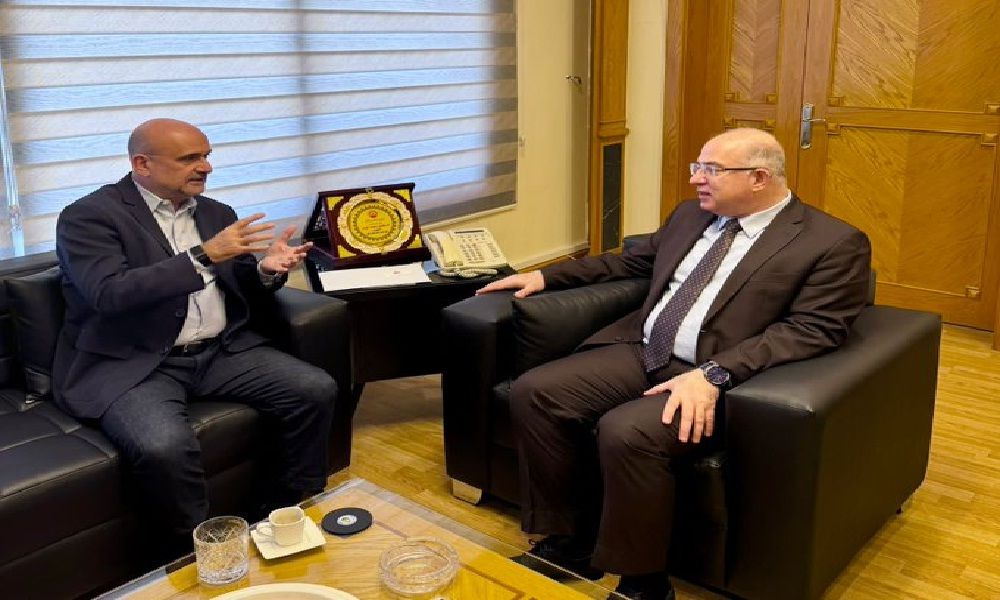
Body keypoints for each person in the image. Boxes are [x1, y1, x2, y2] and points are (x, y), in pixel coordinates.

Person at [476, 128, 872, 600]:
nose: (696, 179)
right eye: (696, 167)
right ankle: (569, 542)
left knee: (627, 432)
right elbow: (632, 263)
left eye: (711, 170)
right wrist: (546, 275)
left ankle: (644, 583)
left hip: (719, 375)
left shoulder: (831, 242)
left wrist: (715, 373)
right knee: (535, 392)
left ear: (759, 178)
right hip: (643, 349)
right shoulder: (691, 215)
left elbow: (814, 328)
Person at [53, 118, 337, 557]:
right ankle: (196, 554)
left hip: (221, 351)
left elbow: (237, 280)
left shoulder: (215, 212)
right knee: (163, 446)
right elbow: (108, 294)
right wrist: (204, 254)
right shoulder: (88, 216)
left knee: (314, 388)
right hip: (138, 362)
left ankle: (283, 513)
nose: (205, 167)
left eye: (206, 156)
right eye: (190, 158)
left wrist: (266, 270)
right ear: (142, 164)